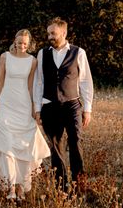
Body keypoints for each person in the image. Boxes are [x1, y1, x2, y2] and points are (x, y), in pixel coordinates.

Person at [0, 29, 50, 201]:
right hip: (7, 104)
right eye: (19, 42)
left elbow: (31, 87)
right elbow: (0, 81)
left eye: (25, 43)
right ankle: (10, 188)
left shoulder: (33, 61)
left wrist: (33, 108)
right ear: (14, 41)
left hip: (23, 105)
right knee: (7, 144)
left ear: (28, 44)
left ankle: (21, 187)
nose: (22, 46)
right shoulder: (5, 57)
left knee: (23, 146)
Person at [34, 17, 94, 190]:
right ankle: (61, 187)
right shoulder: (42, 53)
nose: (50, 36)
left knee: (76, 142)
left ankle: (79, 184)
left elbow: (85, 82)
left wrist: (87, 109)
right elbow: (39, 82)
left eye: (53, 33)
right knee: (55, 147)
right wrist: (38, 109)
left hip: (72, 105)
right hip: (49, 106)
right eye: (48, 33)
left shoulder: (78, 52)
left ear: (64, 32)